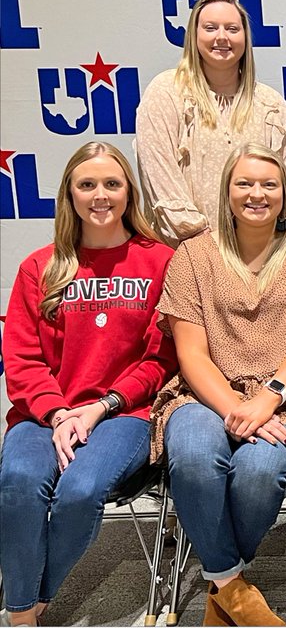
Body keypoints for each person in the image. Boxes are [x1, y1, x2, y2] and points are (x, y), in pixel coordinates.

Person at [151, 145, 286, 628]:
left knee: (258, 474)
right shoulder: (193, 255)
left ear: (285, 194)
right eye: (244, 183)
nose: (257, 194)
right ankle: (234, 588)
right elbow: (190, 354)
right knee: (194, 458)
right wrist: (239, 406)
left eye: (269, 185)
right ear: (226, 191)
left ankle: (221, 592)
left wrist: (267, 398)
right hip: (204, 394)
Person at [0, 142, 175, 628]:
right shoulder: (41, 266)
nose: (101, 195)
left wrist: (100, 407)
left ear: (128, 193)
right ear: (69, 195)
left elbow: (161, 358)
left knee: (80, 490)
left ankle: (34, 598)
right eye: (87, 185)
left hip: (127, 414)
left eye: (112, 184)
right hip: (45, 415)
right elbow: (22, 359)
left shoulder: (160, 262)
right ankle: (22, 618)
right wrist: (58, 414)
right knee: (18, 483)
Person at [136, 0, 286, 242]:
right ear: (194, 36)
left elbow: (282, 191)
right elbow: (160, 181)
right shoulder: (166, 93)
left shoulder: (272, 106)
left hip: (259, 257)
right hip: (184, 253)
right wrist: (203, 247)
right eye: (210, 28)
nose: (222, 37)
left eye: (232, 29)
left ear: (245, 36)